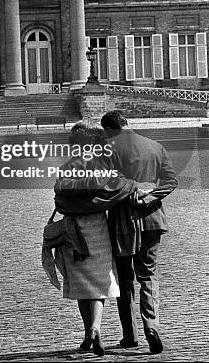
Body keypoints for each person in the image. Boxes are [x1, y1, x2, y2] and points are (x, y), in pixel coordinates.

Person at [51, 123, 149, 356]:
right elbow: (122, 188)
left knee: (82, 285)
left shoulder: (67, 168)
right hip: (98, 229)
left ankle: (88, 333)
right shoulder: (102, 168)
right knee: (98, 284)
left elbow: (59, 198)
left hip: (73, 231)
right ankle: (95, 328)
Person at [101, 110, 178, 354]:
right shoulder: (155, 146)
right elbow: (170, 181)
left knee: (125, 279)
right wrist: (149, 196)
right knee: (148, 275)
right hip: (153, 219)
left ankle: (130, 334)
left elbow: (107, 181)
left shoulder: (107, 147)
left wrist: (132, 191)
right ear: (126, 124)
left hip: (123, 219)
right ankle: (152, 325)